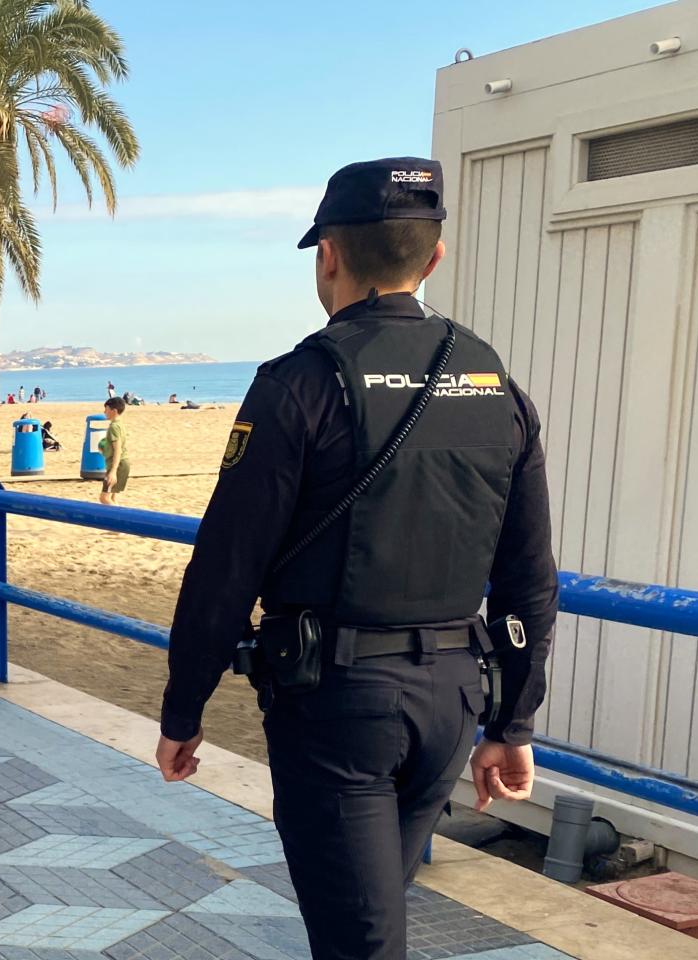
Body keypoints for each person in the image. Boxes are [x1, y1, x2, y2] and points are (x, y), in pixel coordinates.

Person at [155, 158, 557, 960]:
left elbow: (227, 566)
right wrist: (512, 718)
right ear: (432, 257)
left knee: (361, 938)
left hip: (336, 703)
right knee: (372, 917)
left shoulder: (299, 384)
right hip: (451, 700)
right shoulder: (495, 385)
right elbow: (528, 575)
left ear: (327, 256)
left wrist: (183, 709)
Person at [98, 397, 130, 505]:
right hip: (123, 463)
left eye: (106, 409)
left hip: (118, 465)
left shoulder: (114, 427)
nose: (104, 412)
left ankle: (122, 519)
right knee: (112, 497)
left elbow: (117, 449)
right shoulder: (120, 424)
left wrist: (113, 471)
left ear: (114, 411)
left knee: (104, 498)